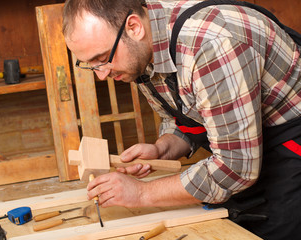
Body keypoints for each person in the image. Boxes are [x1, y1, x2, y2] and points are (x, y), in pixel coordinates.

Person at [62, 0, 301, 239]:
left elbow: (235, 169)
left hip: (289, 144)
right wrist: (163, 147)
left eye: (103, 58)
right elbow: (187, 113)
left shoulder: (211, 45)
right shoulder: (140, 47)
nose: (102, 75)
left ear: (133, 27)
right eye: (91, 65)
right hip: (246, 149)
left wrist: (141, 193)